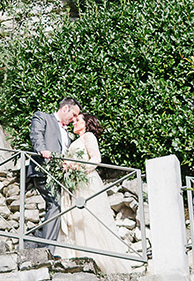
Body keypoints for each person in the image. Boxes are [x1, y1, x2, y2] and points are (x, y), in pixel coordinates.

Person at [58, 111, 134, 275]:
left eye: (78, 120)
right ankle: (81, 256)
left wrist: (78, 168)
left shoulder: (88, 137)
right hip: (76, 184)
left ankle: (100, 261)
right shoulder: (75, 141)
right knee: (78, 219)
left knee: (89, 218)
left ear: (86, 123)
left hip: (87, 183)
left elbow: (95, 159)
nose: (74, 122)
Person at [27, 96, 79, 247]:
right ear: (64, 109)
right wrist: (42, 149)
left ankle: (37, 239)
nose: (74, 119)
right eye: (73, 114)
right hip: (43, 170)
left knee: (53, 206)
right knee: (56, 204)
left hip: (59, 176)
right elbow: (36, 135)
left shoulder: (67, 131)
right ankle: (47, 247)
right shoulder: (42, 117)